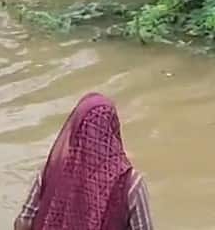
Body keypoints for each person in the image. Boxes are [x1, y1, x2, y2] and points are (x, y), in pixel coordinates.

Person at [14, 93, 154, 230]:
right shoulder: (131, 183)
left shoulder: (52, 170)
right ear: (113, 128)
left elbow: (23, 221)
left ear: (76, 128)